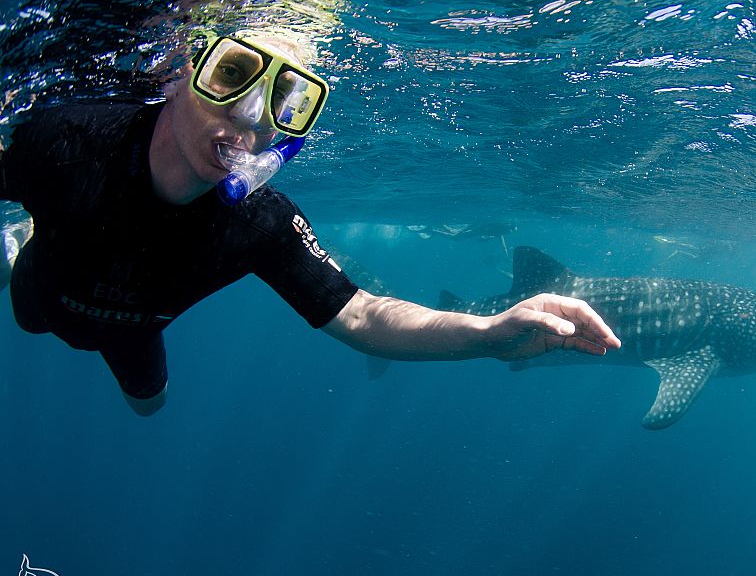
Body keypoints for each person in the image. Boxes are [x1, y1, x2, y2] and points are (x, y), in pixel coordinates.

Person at [0, 31, 621, 416]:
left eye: (288, 99)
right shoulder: (67, 140)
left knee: (150, 407)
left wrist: (485, 333)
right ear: (178, 73)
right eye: (234, 74)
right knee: (27, 317)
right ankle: (24, 235)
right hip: (42, 290)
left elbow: (361, 314)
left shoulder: (262, 223)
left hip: (132, 331)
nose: (252, 116)